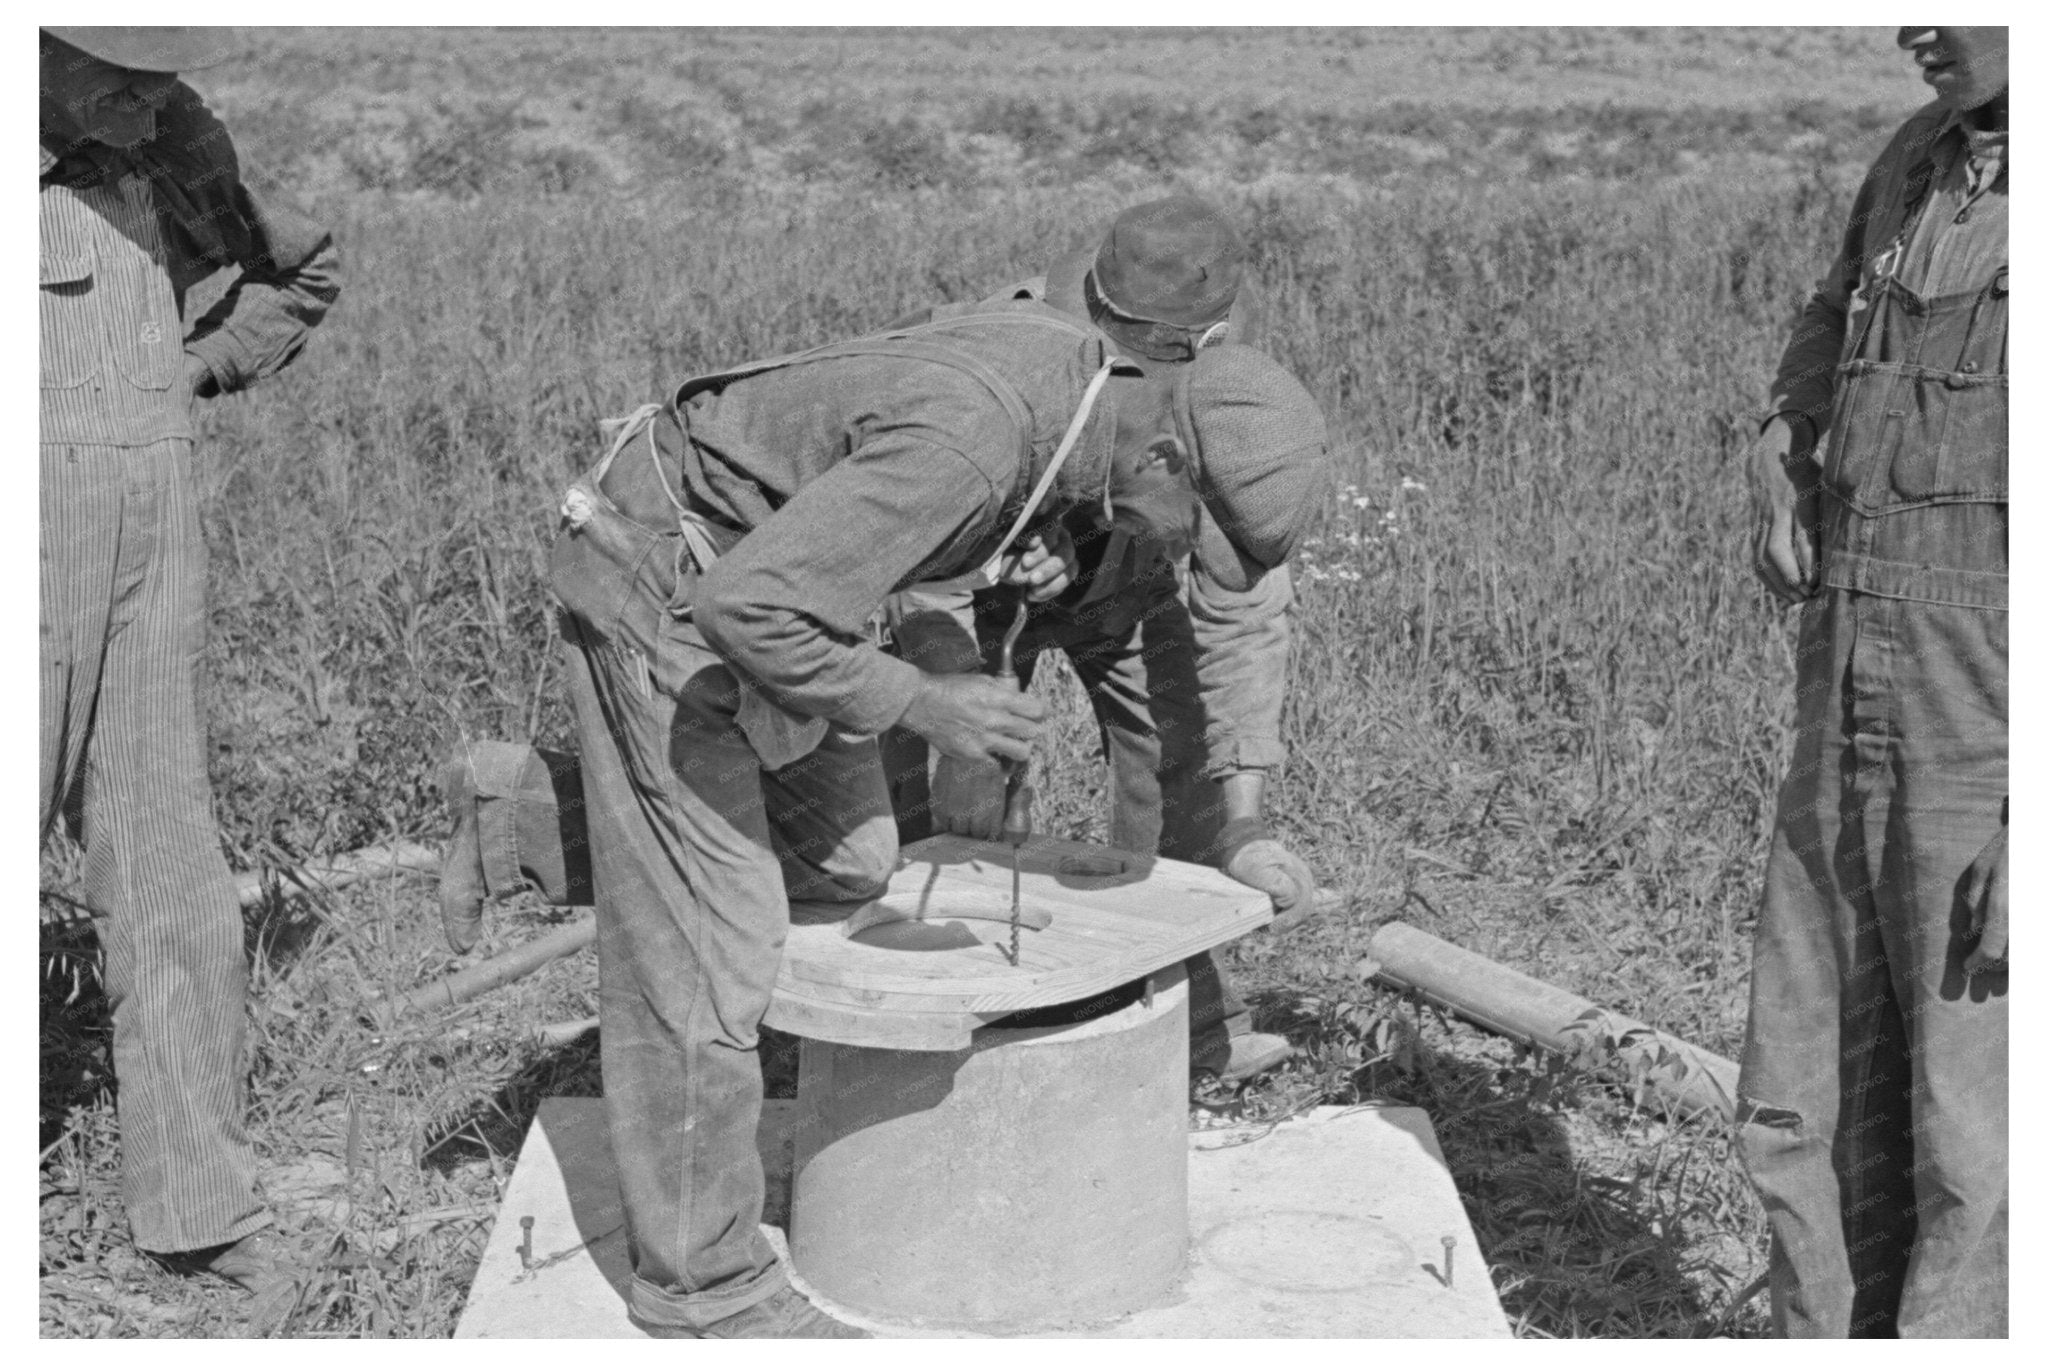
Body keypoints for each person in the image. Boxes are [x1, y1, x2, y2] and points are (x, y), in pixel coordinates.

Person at [542, 299, 1326, 1336]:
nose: (1181, 555)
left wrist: (1006, 585)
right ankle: (703, 1289)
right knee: (704, 955)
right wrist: (922, 700)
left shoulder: (1091, 400)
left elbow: (888, 543)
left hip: (772, 586)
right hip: (669, 587)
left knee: (857, 863)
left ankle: (545, 811)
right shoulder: (974, 440)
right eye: (1194, 533)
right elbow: (743, 607)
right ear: (1169, 455)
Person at [439, 198, 1328, 1081]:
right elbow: (900, 551)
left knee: (1177, 775)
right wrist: (946, 703)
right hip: (934, 590)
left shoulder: (1225, 400)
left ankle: (1181, 1033)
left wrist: (1243, 822)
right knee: (883, 843)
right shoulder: (1005, 359)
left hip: (1110, 590)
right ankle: (878, 1041)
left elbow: (1244, 603)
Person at [38, 27, 341, 1295]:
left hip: (153, 528)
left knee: (171, 875)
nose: (141, 99)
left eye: (160, 73)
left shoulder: (174, 129)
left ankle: (199, 1215)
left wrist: (195, 362)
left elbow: (298, 276)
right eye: (113, 72)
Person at [1737, 25, 2006, 1339]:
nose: (1920, 28)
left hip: (1996, 711)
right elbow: (1826, 309)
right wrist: (1784, 439)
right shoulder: (1913, 158)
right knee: (1804, 1085)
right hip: (1843, 666)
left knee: (1982, 1140)